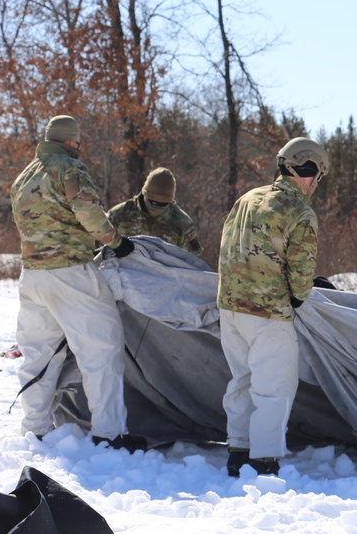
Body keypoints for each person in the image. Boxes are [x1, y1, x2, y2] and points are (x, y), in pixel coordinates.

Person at [10, 114, 143, 452]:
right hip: (70, 272)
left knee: (38, 355)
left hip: (31, 276)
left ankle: (35, 430)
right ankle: (109, 434)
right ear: (72, 141)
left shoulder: (24, 175)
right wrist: (116, 241)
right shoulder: (69, 168)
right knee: (101, 350)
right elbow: (87, 211)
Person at [217, 137, 328, 477]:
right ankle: (263, 461)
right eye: (318, 176)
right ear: (309, 171)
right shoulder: (299, 211)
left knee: (241, 381)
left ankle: (238, 452)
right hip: (268, 313)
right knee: (273, 387)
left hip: (230, 308)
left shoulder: (247, 199)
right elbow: (300, 271)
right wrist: (300, 295)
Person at [107, 167, 203, 257]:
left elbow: (192, 261)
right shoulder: (120, 214)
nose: (156, 207)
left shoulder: (182, 224)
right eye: (152, 202)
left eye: (162, 204)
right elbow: (99, 246)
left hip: (163, 273)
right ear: (145, 194)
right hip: (124, 272)